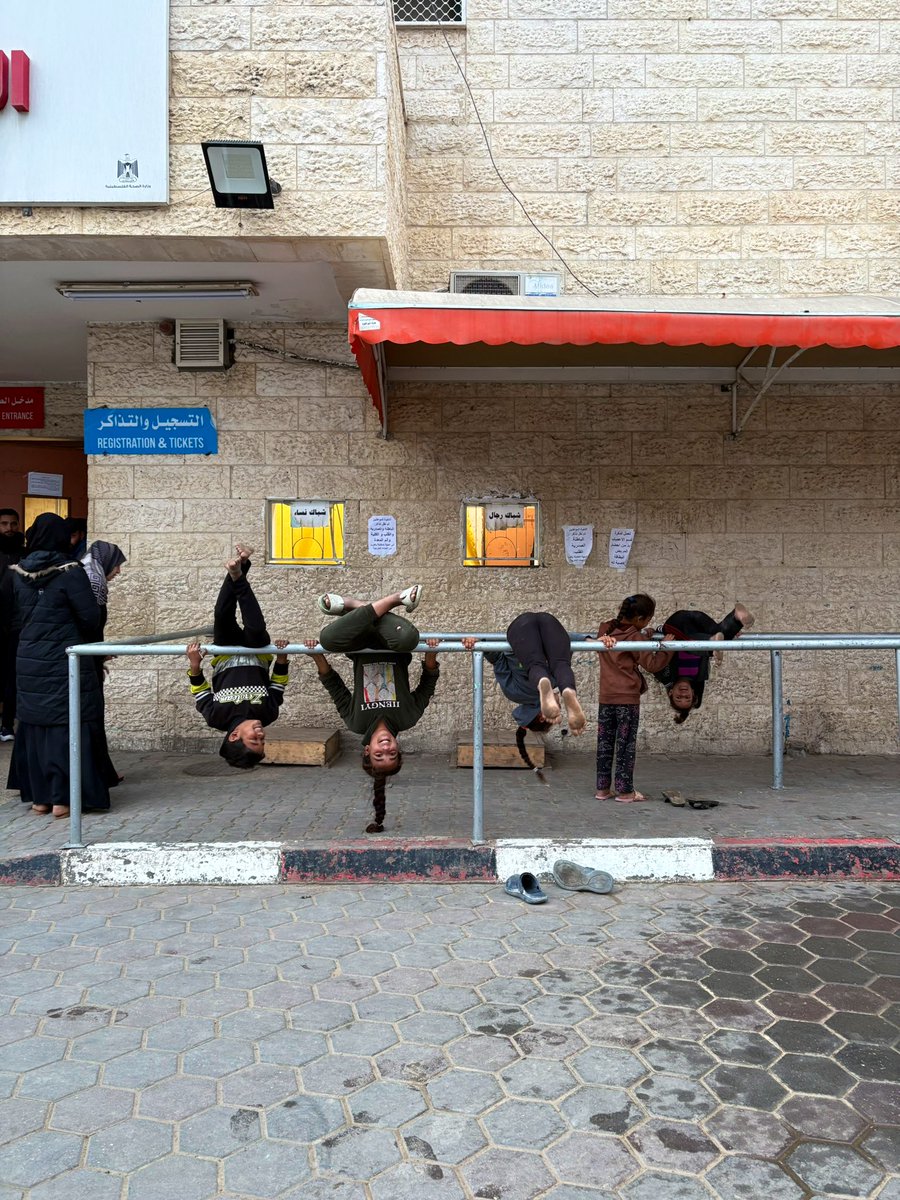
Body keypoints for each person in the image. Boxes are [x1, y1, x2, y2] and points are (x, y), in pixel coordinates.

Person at [304, 585, 439, 832]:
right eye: (392, 754)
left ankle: (360, 607)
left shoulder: (356, 722)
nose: (386, 749)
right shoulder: (407, 718)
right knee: (410, 638)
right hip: (393, 642)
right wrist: (431, 651)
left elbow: (334, 686)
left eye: (379, 755)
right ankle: (385, 601)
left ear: (367, 750)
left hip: (359, 642)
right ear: (398, 749)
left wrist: (316, 655)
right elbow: (428, 683)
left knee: (328, 640)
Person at [6, 513, 109, 817]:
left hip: (29, 659)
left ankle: (40, 798)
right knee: (68, 723)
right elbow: (90, 618)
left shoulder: (17, 574)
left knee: (35, 724)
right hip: (66, 659)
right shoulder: (71, 572)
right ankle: (63, 799)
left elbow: (11, 617)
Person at [185, 545, 289, 769]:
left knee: (222, 613)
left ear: (234, 736)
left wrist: (195, 665)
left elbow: (200, 690)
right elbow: (278, 684)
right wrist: (281, 657)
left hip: (226, 652)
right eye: (263, 741)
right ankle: (239, 571)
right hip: (257, 651)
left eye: (254, 740)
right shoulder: (269, 713)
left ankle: (238, 569)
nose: (261, 735)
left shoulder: (216, 716)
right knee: (255, 625)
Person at [462, 612, 587, 778]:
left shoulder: (536, 687)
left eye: (557, 711)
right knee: (558, 665)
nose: (559, 709)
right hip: (537, 626)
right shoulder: (514, 693)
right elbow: (498, 660)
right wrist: (481, 644)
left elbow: (498, 660)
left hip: (530, 629)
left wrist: (481, 645)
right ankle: (558, 687)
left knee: (549, 665)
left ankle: (565, 689)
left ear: (542, 715)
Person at [593, 593, 673, 804]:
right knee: (626, 746)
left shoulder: (605, 629)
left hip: (606, 697)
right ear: (639, 618)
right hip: (627, 699)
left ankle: (602, 789)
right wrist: (667, 647)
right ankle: (625, 791)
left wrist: (644, 633)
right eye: (647, 620)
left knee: (604, 744)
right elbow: (653, 665)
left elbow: (627, 631)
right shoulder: (635, 638)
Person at [652, 604, 755, 724]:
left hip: (677, 624)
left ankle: (711, 643)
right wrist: (730, 632)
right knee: (723, 635)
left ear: (671, 693)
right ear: (693, 693)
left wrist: (659, 636)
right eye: (687, 697)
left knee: (690, 645)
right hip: (698, 622)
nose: (683, 693)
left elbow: (655, 658)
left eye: (678, 697)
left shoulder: (665, 676)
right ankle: (736, 617)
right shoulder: (699, 676)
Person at [81, 540, 128, 786]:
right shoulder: (92, 581)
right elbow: (87, 624)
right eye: (116, 564)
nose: (118, 571)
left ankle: (102, 772)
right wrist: (97, 654)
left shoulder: (95, 579)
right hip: (87, 661)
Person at [0, 509, 24, 740]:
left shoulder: (24, 555)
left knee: (12, 676)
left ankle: (7, 725)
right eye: (4, 524)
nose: (9, 528)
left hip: (16, 625)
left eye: (13, 524)